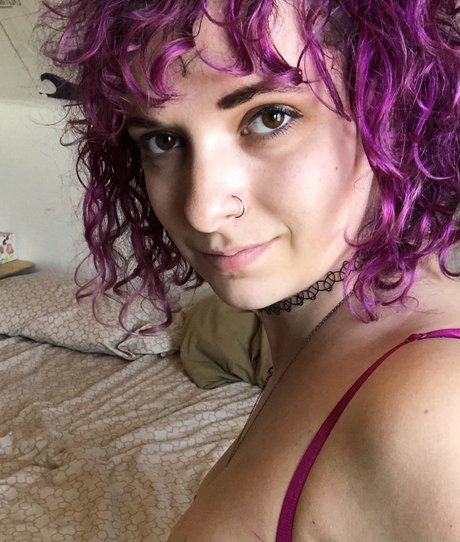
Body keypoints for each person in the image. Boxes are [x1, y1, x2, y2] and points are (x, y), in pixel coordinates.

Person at [41, 0, 460, 540]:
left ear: (387, 107)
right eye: (162, 140)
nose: (201, 209)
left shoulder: (435, 409)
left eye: (269, 117)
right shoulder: (320, 326)